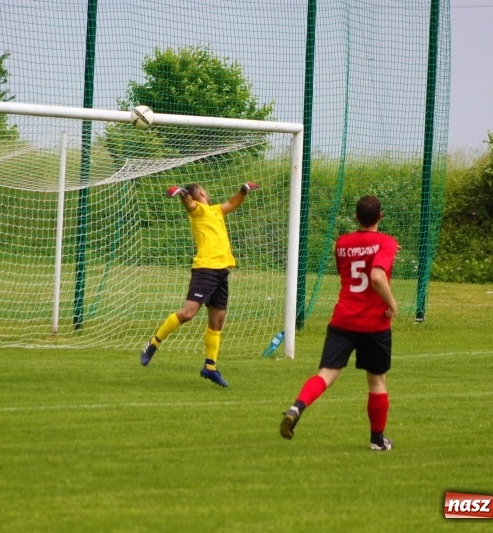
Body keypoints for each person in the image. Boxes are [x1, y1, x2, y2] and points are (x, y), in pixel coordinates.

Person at [280, 195, 399, 451]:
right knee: (376, 381)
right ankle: (377, 440)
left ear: (356, 217)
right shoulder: (386, 242)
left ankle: (296, 407)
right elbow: (377, 276)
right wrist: (391, 303)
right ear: (381, 216)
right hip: (374, 324)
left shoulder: (342, 243)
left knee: (326, 373)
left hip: (343, 319)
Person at [138, 181, 260, 387]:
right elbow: (189, 205)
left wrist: (243, 190)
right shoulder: (198, 210)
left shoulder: (216, 211)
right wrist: (182, 194)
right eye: (205, 190)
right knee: (187, 313)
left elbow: (232, 203)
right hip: (205, 270)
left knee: (217, 321)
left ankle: (210, 367)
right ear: (202, 193)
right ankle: (153, 343)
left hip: (222, 272)